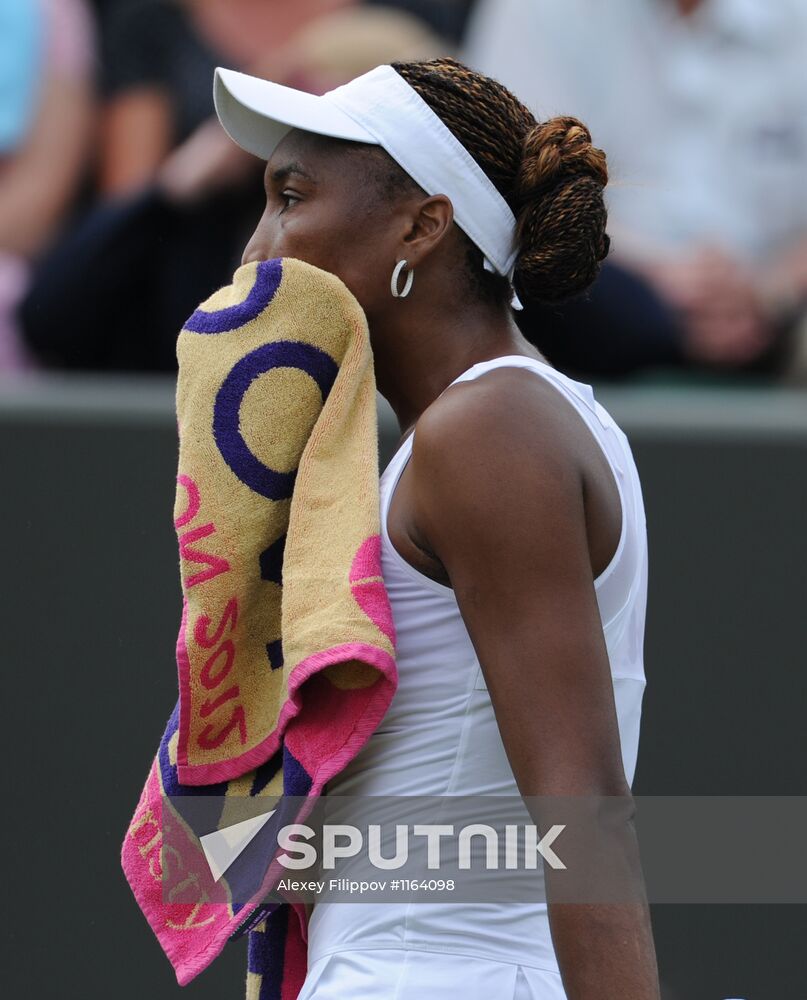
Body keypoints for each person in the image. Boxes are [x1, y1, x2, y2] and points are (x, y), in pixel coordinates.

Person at [214, 56, 659, 997]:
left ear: (422, 225)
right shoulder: (483, 427)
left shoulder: (485, 431)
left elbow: (582, 810)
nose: (257, 250)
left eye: (290, 198)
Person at [465, 0, 807, 380]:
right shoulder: (537, 11)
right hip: (599, 285)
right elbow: (516, 182)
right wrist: (664, 276)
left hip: (774, 309)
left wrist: (769, 294)